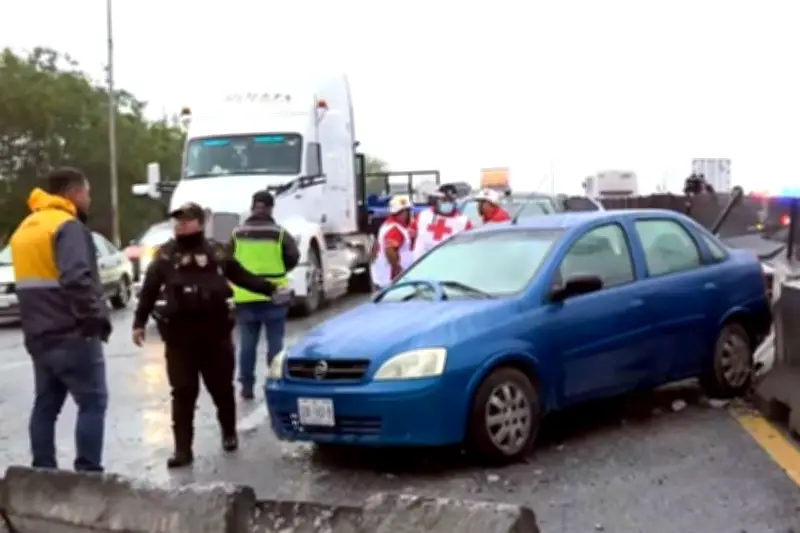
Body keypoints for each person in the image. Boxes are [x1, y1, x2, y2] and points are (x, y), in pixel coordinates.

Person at [131, 202, 277, 468]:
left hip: (215, 334)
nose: (181, 225)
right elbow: (150, 290)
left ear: (199, 222)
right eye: (177, 221)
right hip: (180, 338)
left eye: (186, 220)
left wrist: (270, 289)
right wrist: (138, 322)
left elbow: (242, 276)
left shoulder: (217, 252)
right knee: (183, 392)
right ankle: (182, 450)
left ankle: (229, 432)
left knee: (221, 389)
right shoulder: (165, 256)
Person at [9, 167, 111, 472]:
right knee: (92, 403)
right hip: (72, 332)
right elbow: (77, 278)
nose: (89, 199)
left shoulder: (26, 228)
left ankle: (43, 472)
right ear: (74, 193)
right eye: (87, 193)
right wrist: (94, 318)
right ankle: (88, 474)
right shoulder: (67, 226)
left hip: (38, 334)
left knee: (46, 406)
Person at [231, 190, 299, 400]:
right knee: (275, 343)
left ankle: (247, 386)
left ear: (253, 207)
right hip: (274, 295)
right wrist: (280, 270)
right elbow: (293, 256)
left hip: (245, 296)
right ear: (270, 208)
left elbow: (228, 261)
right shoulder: (279, 233)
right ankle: (275, 382)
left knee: (247, 345)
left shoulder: (236, 234)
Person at [412, 183, 472, 260]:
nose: (447, 203)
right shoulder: (422, 216)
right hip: (422, 266)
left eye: (450, 200)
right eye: (444, 200)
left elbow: (468, 247)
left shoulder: (464, 222)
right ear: (437, 200)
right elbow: (411, 236)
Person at [370, 195, 414, 289]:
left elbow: (374, 250)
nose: (409, 214)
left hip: (384, 278)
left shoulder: (387, 225)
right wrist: (397, 268)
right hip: (392, 280)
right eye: (407, 211)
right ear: (403, 212)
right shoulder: (395, 229)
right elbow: (389, 250)